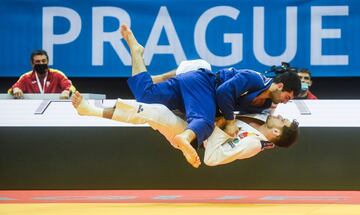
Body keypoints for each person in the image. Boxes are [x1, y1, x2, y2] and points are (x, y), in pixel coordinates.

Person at [120, 24, 301, 168]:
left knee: (146, 96)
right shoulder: (253, 78)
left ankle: (136, 52)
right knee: (204, 120)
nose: (287, 101)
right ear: (280, 85)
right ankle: (185, 137)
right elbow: (223, 93)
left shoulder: (265, 106)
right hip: (206, 86)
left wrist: (267, 143)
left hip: (196, 90)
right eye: (288, 96)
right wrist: (229, 121)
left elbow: (269, 134)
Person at [72, 91, 299, 167]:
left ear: (277, 133)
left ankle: (89, 111)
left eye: (283, 121)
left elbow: (211, 159)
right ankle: (158, 79)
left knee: (155, 114)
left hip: (195, 140)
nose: (279, 116)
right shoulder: (263, 117)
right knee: (196, 67)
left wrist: (221, 127)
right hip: (202, 115)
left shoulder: (251, 144)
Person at [8, 49, 75, 99]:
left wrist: (67, 91)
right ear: (32, 63)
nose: (41, 63)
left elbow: (71, 87)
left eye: (43, 61)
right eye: (37, 61)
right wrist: (16, 89)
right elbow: (12, 89)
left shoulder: (57, 74)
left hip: (54, 108)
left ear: (48, 61)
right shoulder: (26, 77)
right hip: (32, 109)